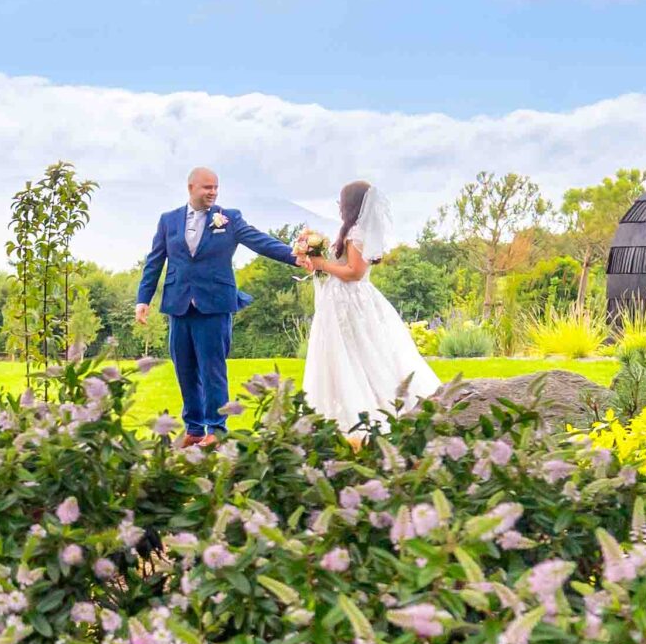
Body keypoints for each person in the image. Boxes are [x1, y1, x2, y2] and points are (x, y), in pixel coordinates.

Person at [135, 167, 304, 444]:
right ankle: (193, 429)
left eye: (215, 187)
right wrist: (143, 299)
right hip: (179, 304)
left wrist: (296, 256)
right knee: (185, 368)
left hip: (214, 304)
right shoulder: (168, 221)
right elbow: (155, 260)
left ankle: (216, 429)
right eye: (207, 187)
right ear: (191, 188)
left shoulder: (230, 218)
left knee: (212, 369)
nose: (212, 192)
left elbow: (260, 242)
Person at [296, 180, 442, 430]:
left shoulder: (357, 233)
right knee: (343, 354)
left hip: (351, 301)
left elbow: (354, 272)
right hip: (341, 298)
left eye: (341, 202)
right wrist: (314, 262)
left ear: (350, 204)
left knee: (360, 352)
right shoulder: (352, 231)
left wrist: (322, 264)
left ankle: (371, 410)